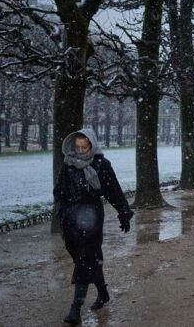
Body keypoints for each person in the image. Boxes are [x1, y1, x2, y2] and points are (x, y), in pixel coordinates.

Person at [54, 128, 133, 325]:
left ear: (92, 145)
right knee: (85, 258)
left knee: (85, 259)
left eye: (84, 147)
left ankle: (75, 308)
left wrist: (124, 212)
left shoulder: (101, 164)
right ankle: (103, 292)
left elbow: (113, 190)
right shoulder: (68, 164)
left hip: (92, 216)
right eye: (78, 147)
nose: (80, 151)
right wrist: (61, 210)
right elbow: (59, 191)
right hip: (71, 219)